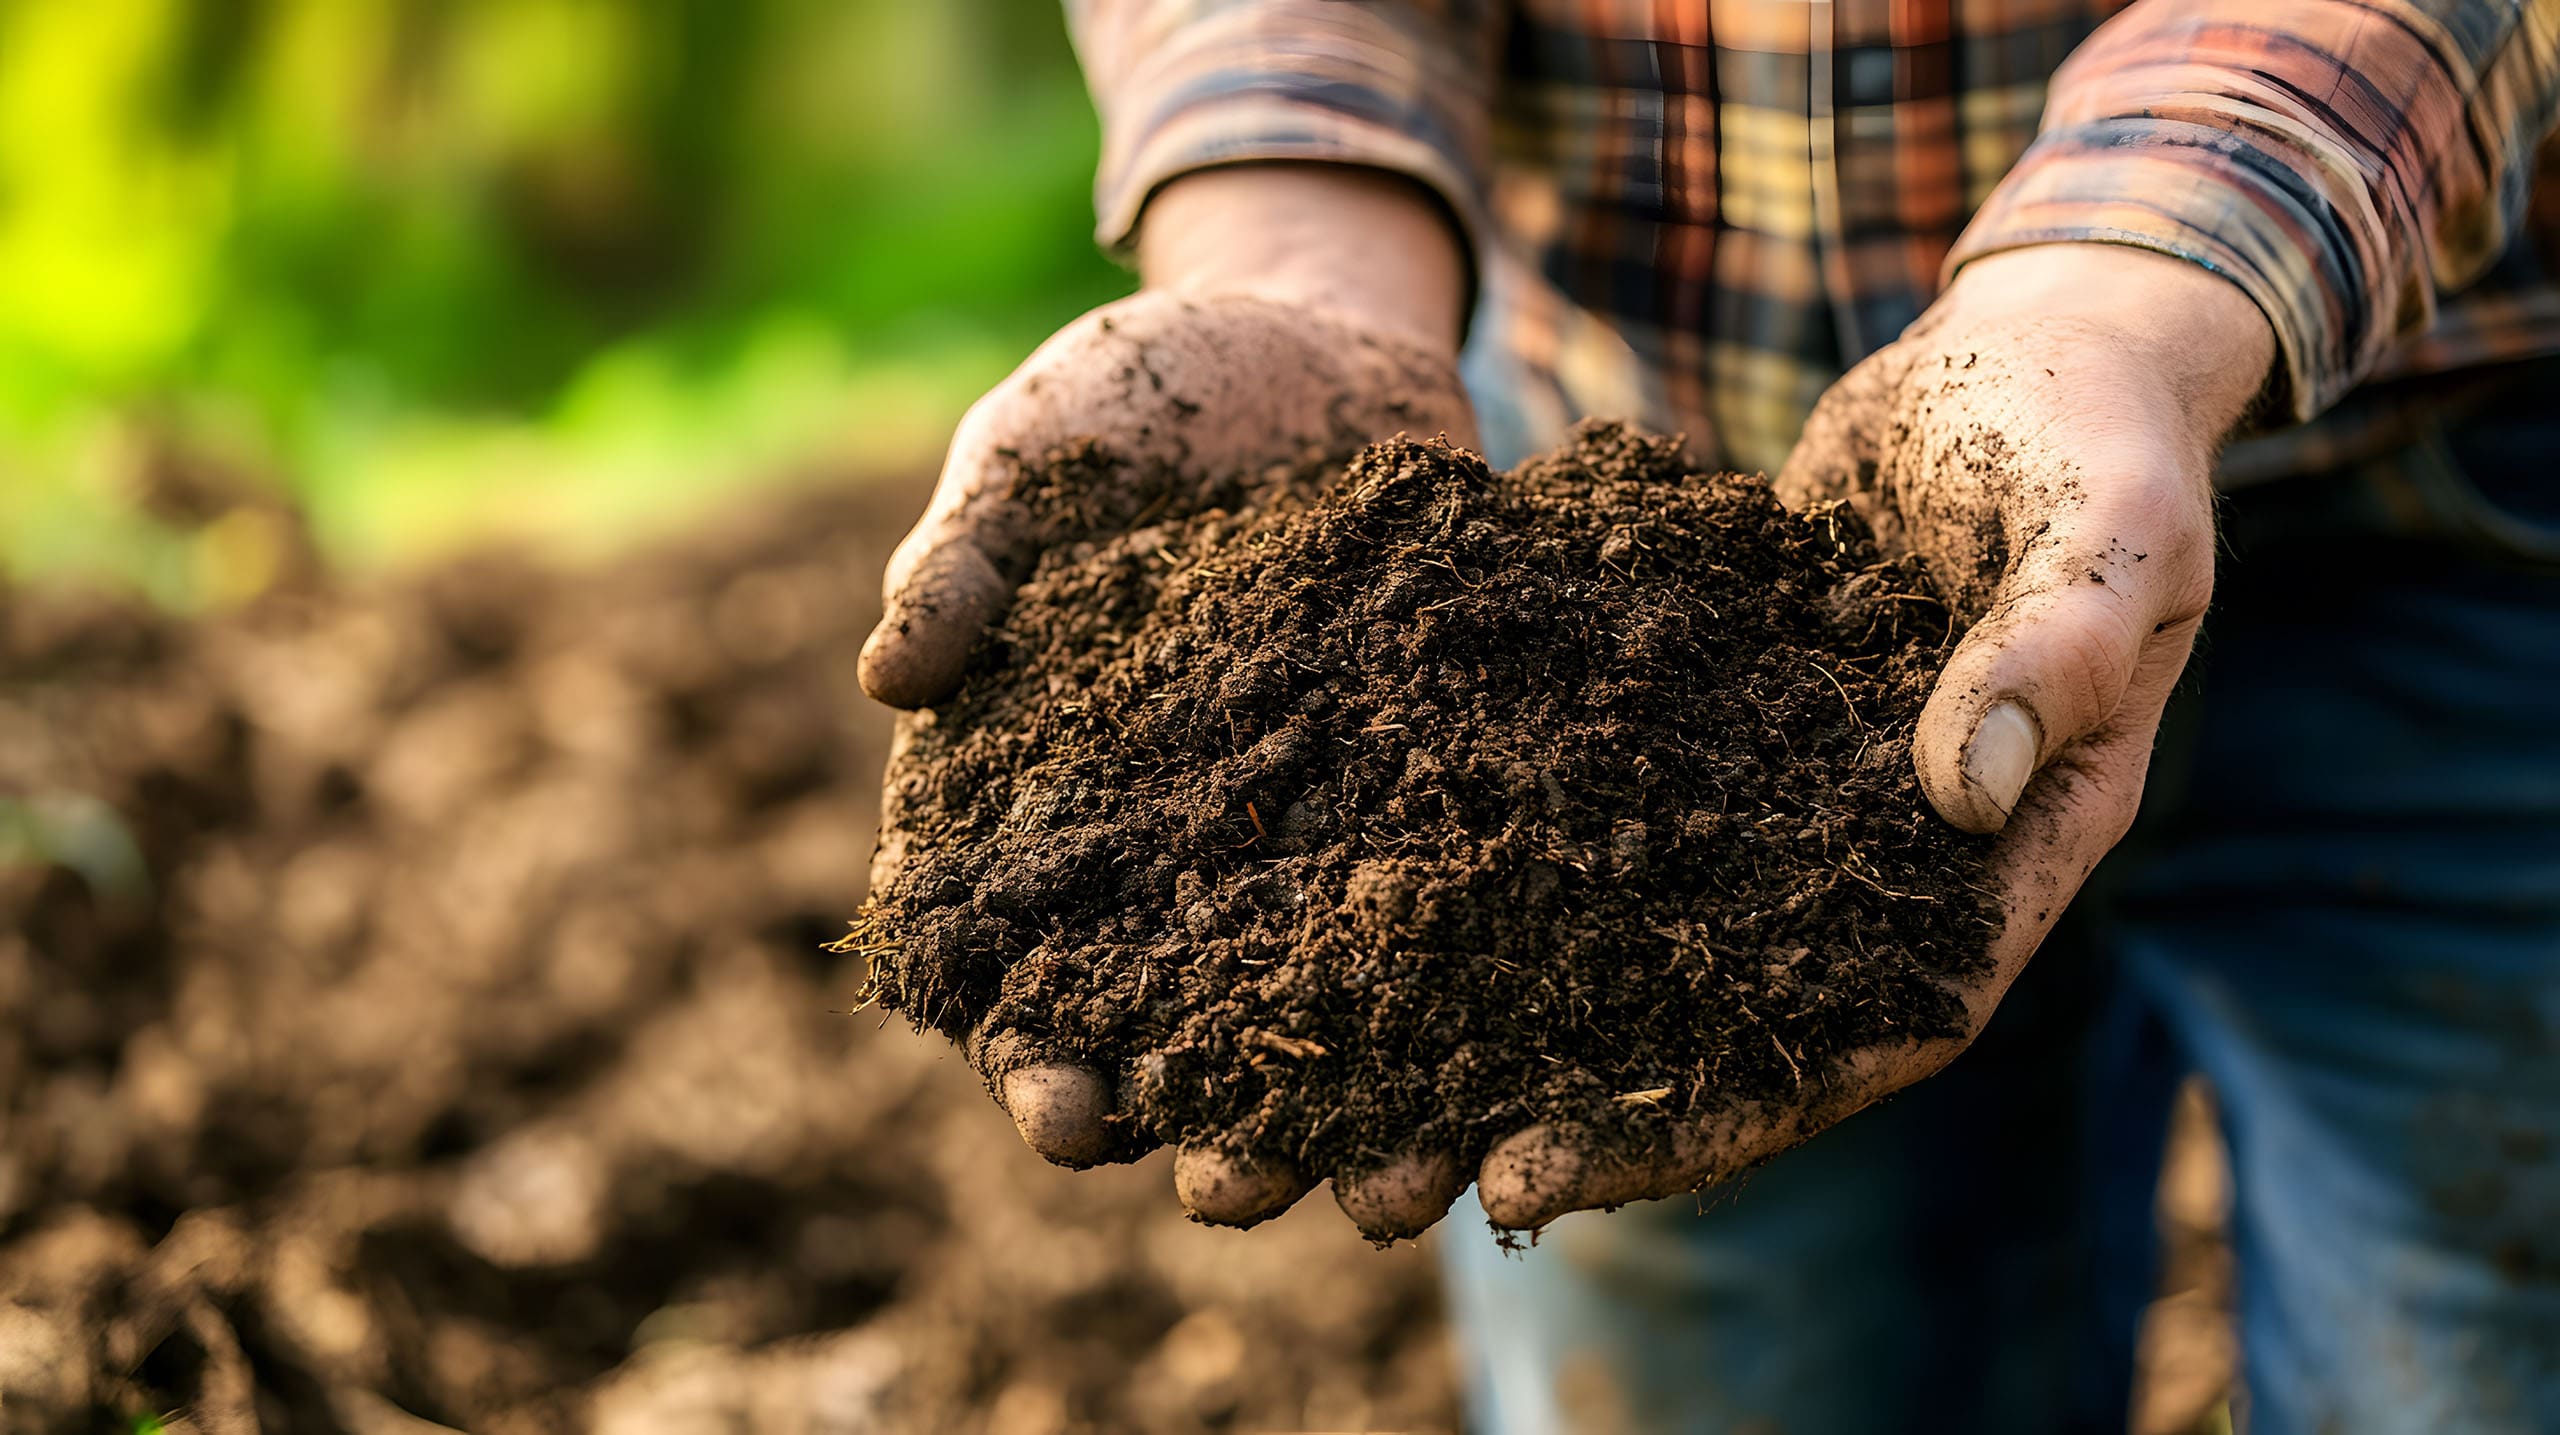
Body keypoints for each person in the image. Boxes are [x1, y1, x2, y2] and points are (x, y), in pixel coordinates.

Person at [860, 1, 2560, 1429]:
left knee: (2480, 1353)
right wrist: (1295, 233)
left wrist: (2128, 283)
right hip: (1649, 465)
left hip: (2449, 519)